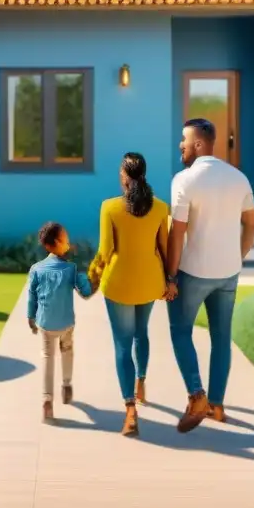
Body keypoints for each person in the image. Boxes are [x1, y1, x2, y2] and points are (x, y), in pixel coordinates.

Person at [164, 118, 254, 433]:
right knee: (221, 339)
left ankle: (197, 396)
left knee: (180, 331)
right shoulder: (239, 178)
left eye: (184, 140)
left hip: (193, 272)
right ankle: (217, 406)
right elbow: (251, 225)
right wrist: (238, 256)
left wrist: (171, 275)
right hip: (228, 274)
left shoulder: (183, 180)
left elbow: (176, 234)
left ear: (199, 144)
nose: (180, 145)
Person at [88, 152, 169, 438]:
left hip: (119, 283)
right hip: (149, 282)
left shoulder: (109, 207)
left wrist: (92, 276)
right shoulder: (160, 208)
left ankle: (130, 410)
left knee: (122, 346)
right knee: (141, 333)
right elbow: (165, 248)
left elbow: (105, 251)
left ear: (124, 175)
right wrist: (169, 279)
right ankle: (142, 382)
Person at [27, 221, 94, 423]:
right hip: (66, 323)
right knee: (67, 351)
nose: (68, 242)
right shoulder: (71, 269)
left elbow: (32, 297)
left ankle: (47, 400)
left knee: (47, 356)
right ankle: (66, 384)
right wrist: (84, 272)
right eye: (65, 238)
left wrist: (31, 317)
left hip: (46, 324)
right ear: (56, 243)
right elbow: (86, 292)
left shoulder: (36, 269)